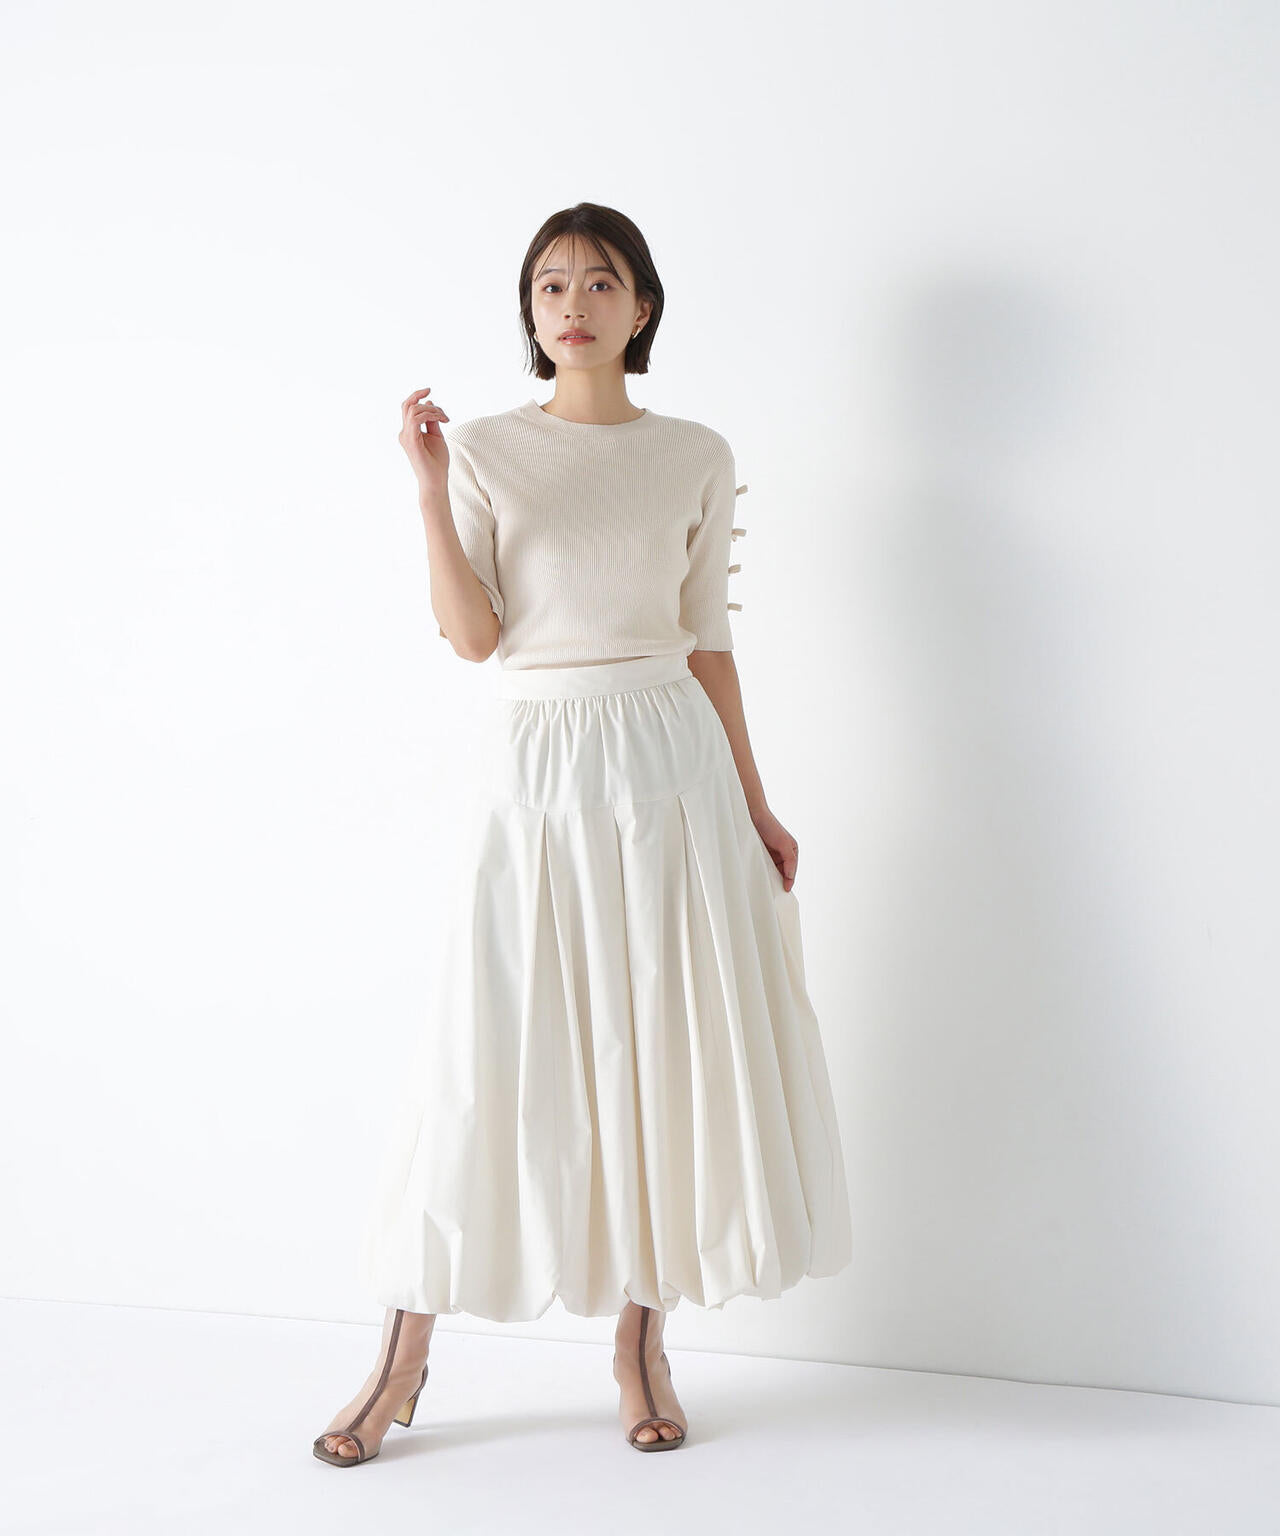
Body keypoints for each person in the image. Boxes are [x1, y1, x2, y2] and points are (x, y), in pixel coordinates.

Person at [313, 202, 852, 1465]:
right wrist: (429, 492)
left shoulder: (694, 453)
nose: (572, 303)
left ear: (640, 307)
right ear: (530, 308)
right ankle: (399, 1361)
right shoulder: (486, 450)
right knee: (481, 1052)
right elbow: (472, 638)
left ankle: (640, 1349)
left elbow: (708, 644)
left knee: (660, 1044)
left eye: (600, 281)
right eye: (550, 283)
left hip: (671, 765)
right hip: (537, 768)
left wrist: (753, 801)